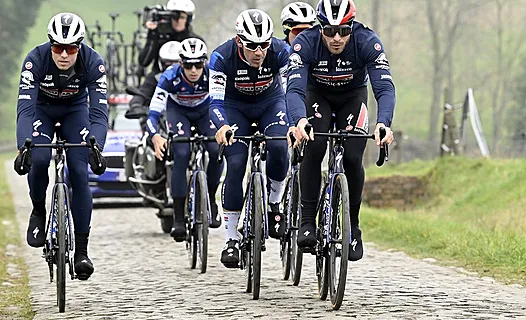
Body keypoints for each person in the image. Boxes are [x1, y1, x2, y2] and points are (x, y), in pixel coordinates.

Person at [286, 0, 396, 262]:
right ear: (319, 27)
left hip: (352, 97)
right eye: (330, 31)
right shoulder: (305, 43)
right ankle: (308, 221)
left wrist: (384, 123)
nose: (336, 38)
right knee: (313, 147)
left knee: (353, 157)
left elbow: (384, 88)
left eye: (344, 31)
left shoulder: (367, 41)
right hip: (317, 96)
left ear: (352, 27)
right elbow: (295, 90)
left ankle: (353, 227)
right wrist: (299, 121)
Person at [14, 12, 108, 280]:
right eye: (57, 48)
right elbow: (25, 108)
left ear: (79, 46)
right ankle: (38, 210)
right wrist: (24, 147)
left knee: (79, 171)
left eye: (70, 49)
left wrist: (96, 147)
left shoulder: (93, 63)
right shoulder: (35, 61)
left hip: (74, 111)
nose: (64, 55)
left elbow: (99, 113)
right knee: (40, 158)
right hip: (41, 111)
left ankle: (81, 251)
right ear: (50, 45)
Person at [208, 9, 291, 268]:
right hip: (235, 108)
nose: (259, 52)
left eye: (264, 44)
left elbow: (292, 92)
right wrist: (221, 126)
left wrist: (294, 121)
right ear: (238, 41)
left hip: (270, 103)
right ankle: (231, 238)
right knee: (235, 164)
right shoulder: (221, 57)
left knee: (279, 146)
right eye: (252, 45)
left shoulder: (280, 52)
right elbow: (214, 102)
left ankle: (274, 202)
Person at [146, 38, 223, 241]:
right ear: (180, 64)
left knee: (216, 151)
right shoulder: (169, 77)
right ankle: (179, 217)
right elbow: (153, 112)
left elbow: (227, 103)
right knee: (181, 153)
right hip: (178, 112)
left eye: (198, 64)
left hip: (205, 111)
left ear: (205, 62)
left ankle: (211, 199)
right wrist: (155, 135)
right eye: (188, 64)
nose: (194, 70)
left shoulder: (212, 74)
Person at [138, 0, 201, 74]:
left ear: (188, 20)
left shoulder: (195, 41)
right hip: (160, 76)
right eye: (175, 17)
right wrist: (152, 36)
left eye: (182, 17)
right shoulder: (160, 37)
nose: (178, 21)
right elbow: (144, 62)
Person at [126, 41, 182, 121]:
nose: (172, 68)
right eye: (168, 63)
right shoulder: (155, 78)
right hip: (162, 120)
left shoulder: (195, 78)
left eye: (176, 64)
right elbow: (144, 91)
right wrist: (136, 104)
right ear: (161, 63)